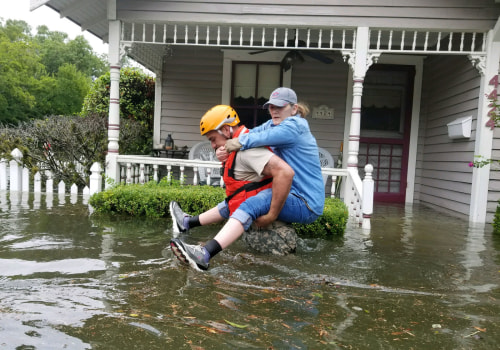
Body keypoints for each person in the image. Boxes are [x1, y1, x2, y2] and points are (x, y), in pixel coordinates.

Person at [170, 88, 325, 271]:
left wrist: (272, 215)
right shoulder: (273, 124)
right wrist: (225, 147)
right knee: (242, 197)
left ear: (293, 109)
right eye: (271, 107)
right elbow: (252, 133)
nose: (274, 111)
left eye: (280, 107)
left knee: (251, 203)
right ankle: (187, 222)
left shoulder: (295, 126)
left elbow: (263, 140)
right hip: (293, 193)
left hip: (306, 202)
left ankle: (205, 254)